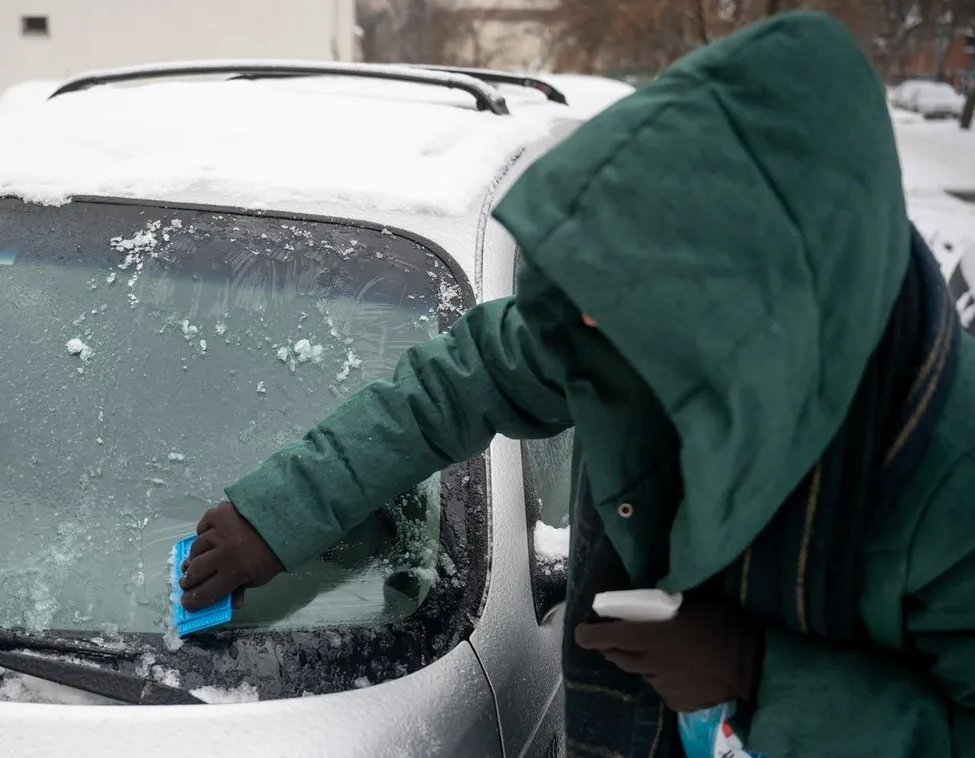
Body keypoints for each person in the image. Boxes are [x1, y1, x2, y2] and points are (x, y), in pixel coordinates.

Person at [179, 11, 975, 758]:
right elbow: (454, 384)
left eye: (624, 299)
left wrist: (760, 674)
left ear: (744, 313)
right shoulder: (611, 333)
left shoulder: (947, 477)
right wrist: (284, 511)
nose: (584, 325)